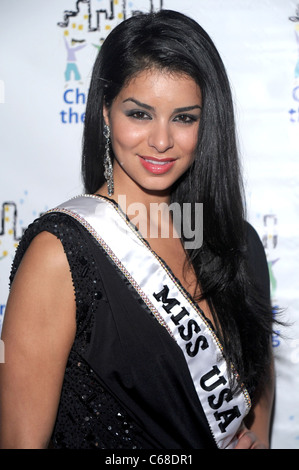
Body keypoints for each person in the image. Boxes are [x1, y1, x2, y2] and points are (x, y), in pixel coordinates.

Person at [0, 10, 274, 449]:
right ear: (106, 112)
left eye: (184, 118)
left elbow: (256, 409)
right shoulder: (61, 255)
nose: (161, 140)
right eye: (140, 114)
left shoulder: (237, 245)